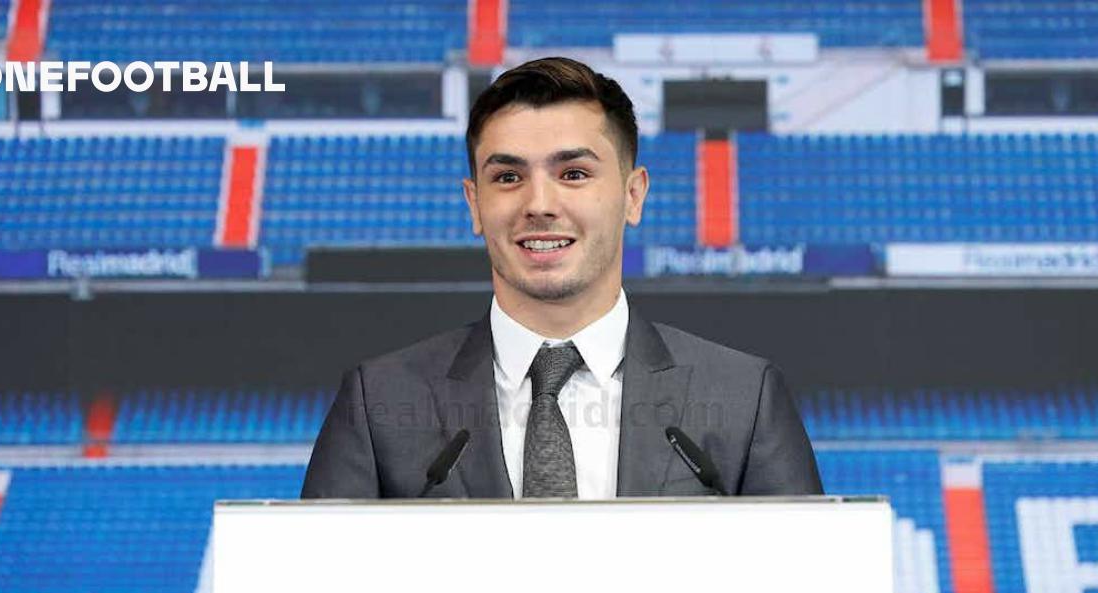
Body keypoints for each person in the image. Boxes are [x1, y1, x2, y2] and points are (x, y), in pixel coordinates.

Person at [301, 57, 822, 499]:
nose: (539, 205)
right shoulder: (377, 402)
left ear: (633, 195)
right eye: (508, 177)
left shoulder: (744, 397)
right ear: (474, 203)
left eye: (573, 174)